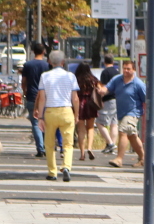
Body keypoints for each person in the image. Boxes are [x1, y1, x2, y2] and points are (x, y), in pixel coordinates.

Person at [33, 50, 79, 182]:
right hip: (66, 110)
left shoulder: (45, 76)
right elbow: (75, 98)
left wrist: (40, 117)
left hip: (50, 112)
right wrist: (76, 114)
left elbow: (42, 98)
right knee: (68, 143)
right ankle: (66, 167)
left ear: (50, 62)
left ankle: (52, 172)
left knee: (49, 143)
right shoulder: (71, 76)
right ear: (63, 62)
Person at [105, 60, 147, 169]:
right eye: (124, 68)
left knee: (123, 132)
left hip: (133, 112)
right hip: (121, 113)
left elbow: (147, 100)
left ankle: (119, 159)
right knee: (132, 136)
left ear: (134, 70)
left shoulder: (138, 84)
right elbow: (107, 89)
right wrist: (101, 90)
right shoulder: (117, 79)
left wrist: (151, 116)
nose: (126, 71)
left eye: (128, 69)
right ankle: (143, 158)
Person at [20, 43, 48, 157]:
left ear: (33, 51)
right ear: (43, 51)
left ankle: (40, 148)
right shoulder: (47, 65)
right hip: (45, 97)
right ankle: (47, 146)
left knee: (35, 123)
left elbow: (24, 81)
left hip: (32, 95)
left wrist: (24, 91)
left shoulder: (28, 65)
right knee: (47, 122)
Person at [74, 63, 104, 162]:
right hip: (91, 104)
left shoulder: (76, 79)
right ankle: (90, 148)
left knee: (81, 129)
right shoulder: (93, 79)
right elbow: (100, 90)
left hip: (79, 104)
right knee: (90, 127)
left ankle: (82, 153)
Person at [95, 55, 119, 153]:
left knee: (99, 123)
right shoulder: (117, 72)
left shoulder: (105, 72)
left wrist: (99, 90)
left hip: (108, 99)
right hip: (117, 99)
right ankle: (112, 147)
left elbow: (105, 88)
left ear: (104, 62)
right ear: (113, 61)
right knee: (114, 124)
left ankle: (110, 143)